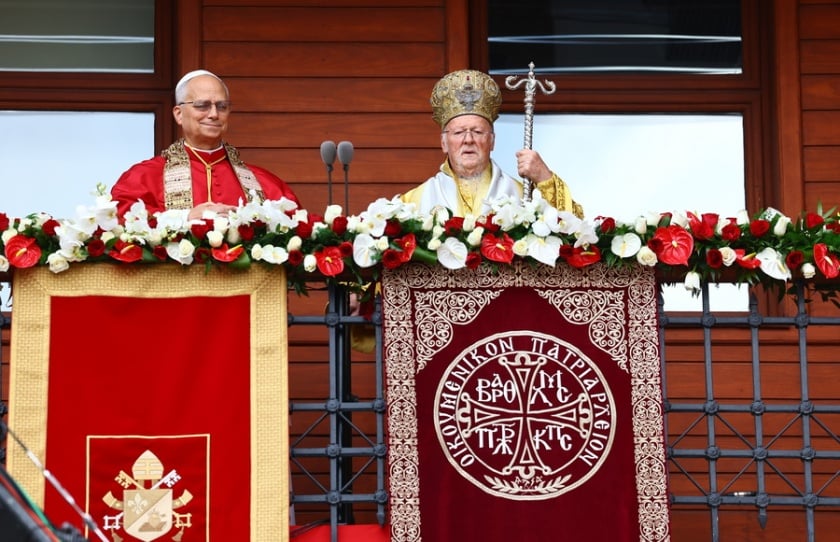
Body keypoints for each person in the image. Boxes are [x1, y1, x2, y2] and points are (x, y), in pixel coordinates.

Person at [111, 69, 299, 219]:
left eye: (222, 106)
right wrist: (185, 217)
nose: (214, 114)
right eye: (202, 105)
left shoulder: (265, 183)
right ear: (178, 114)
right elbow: (119, 216)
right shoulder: (144, 176)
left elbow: (296, 223)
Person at [399, 69, 583, 218]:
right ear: (444, 143)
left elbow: (572, 228)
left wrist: (544, 179)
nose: (468, 139)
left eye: (478, 132)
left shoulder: (521, 196)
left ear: (492, 141)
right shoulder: (412, 202)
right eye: (459, 132)